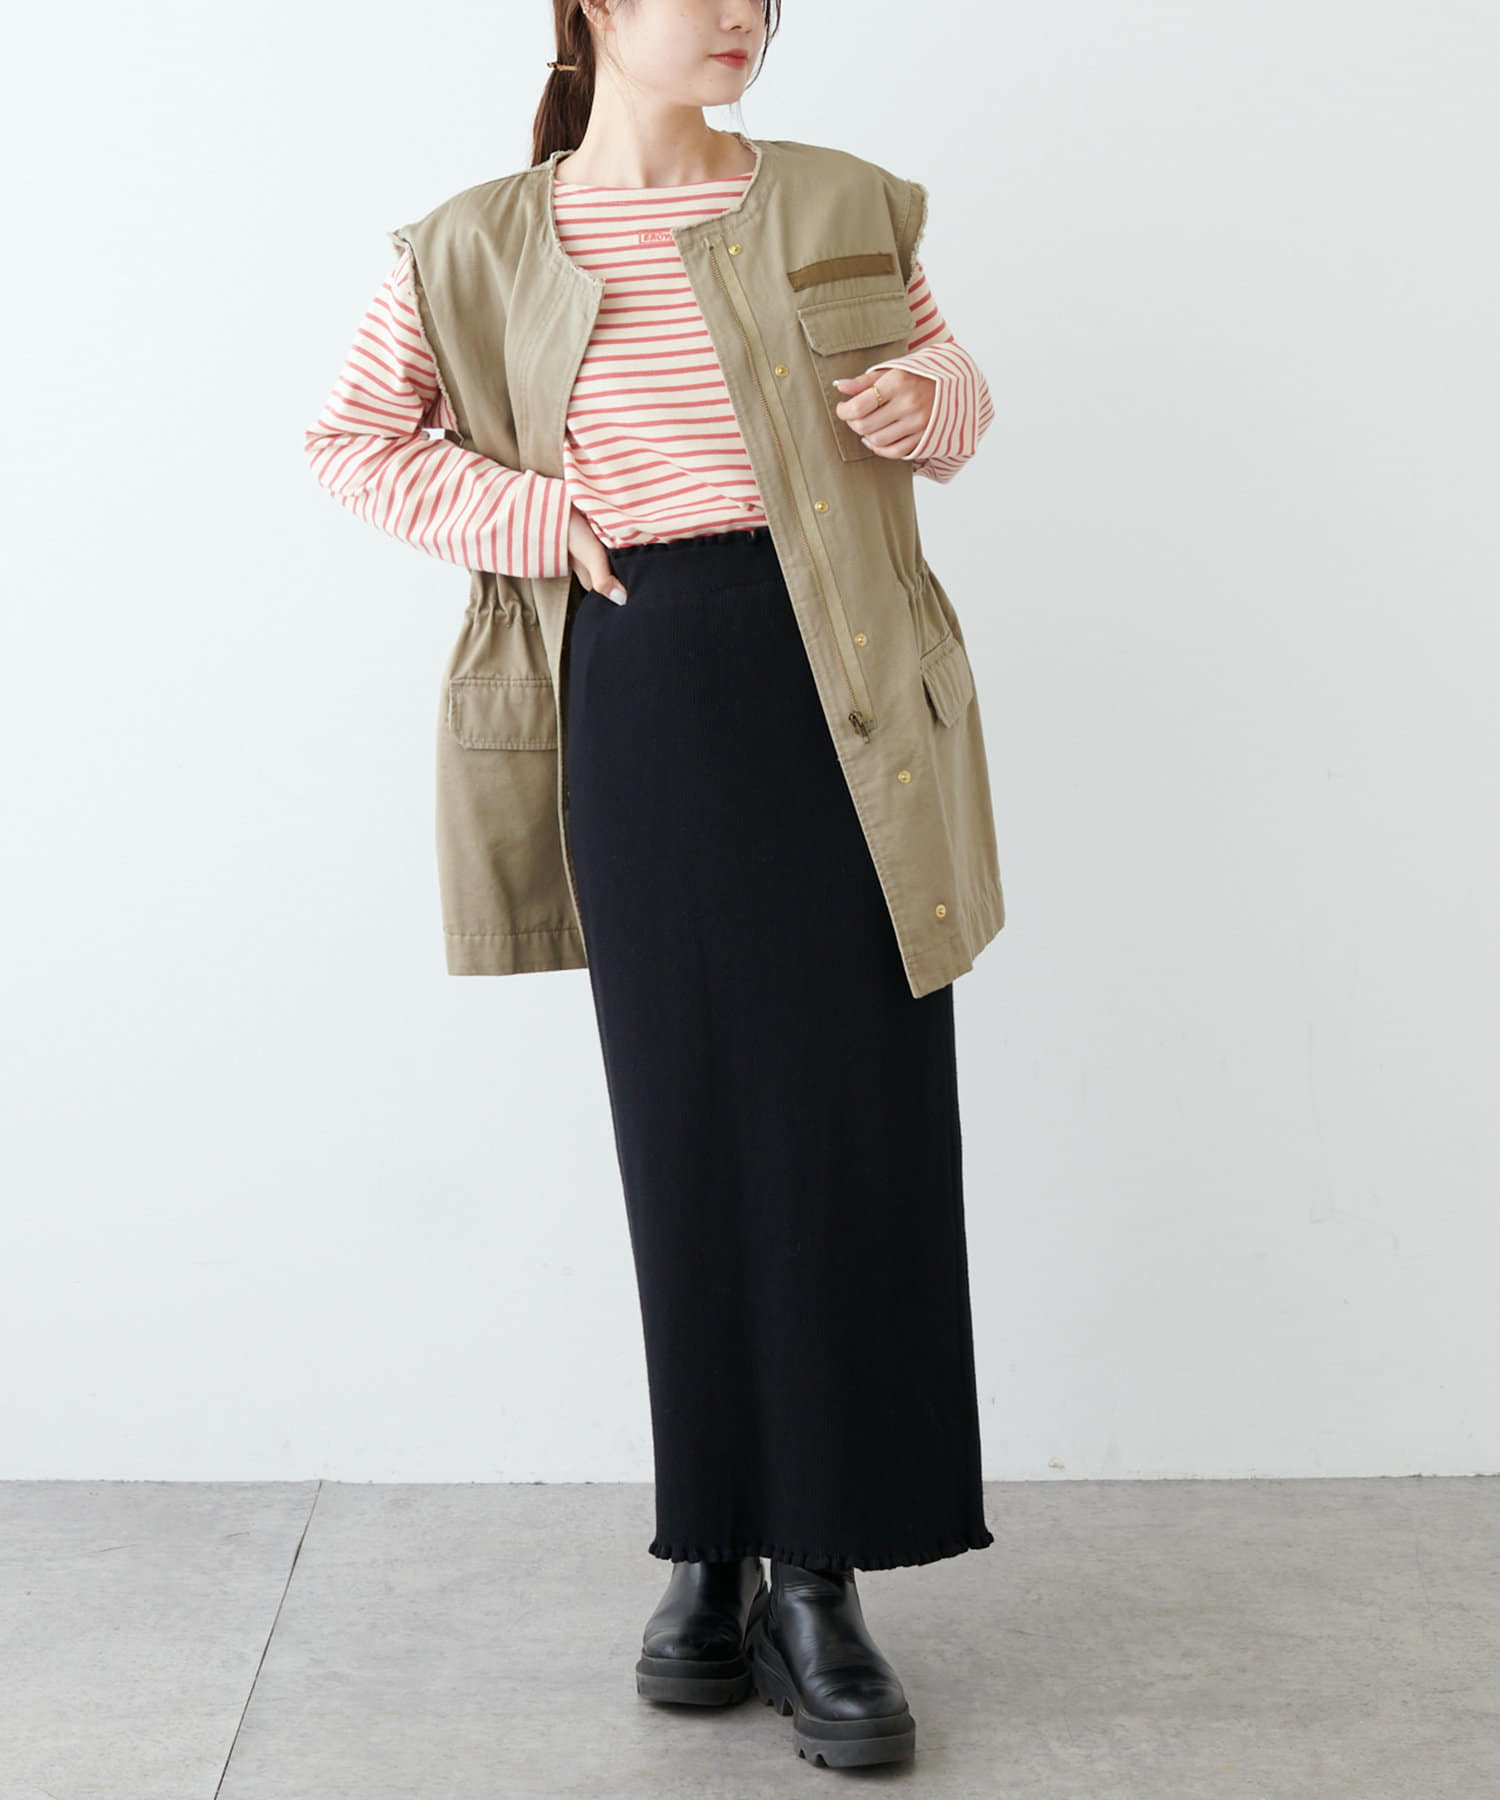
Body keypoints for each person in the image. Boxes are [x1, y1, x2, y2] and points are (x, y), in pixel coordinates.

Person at [304, 0, 1002, 1771]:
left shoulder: (846, 199)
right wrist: (539, 519)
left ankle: (819, 1573)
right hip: (644, 685)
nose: (743, 15)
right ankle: (711, 1550)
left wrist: (931, 401)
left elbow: (954, 397)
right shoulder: (470, 242)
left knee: (850, 1124)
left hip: (850, 694)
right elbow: (354, 439)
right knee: (684, 1125)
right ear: (598, 7)